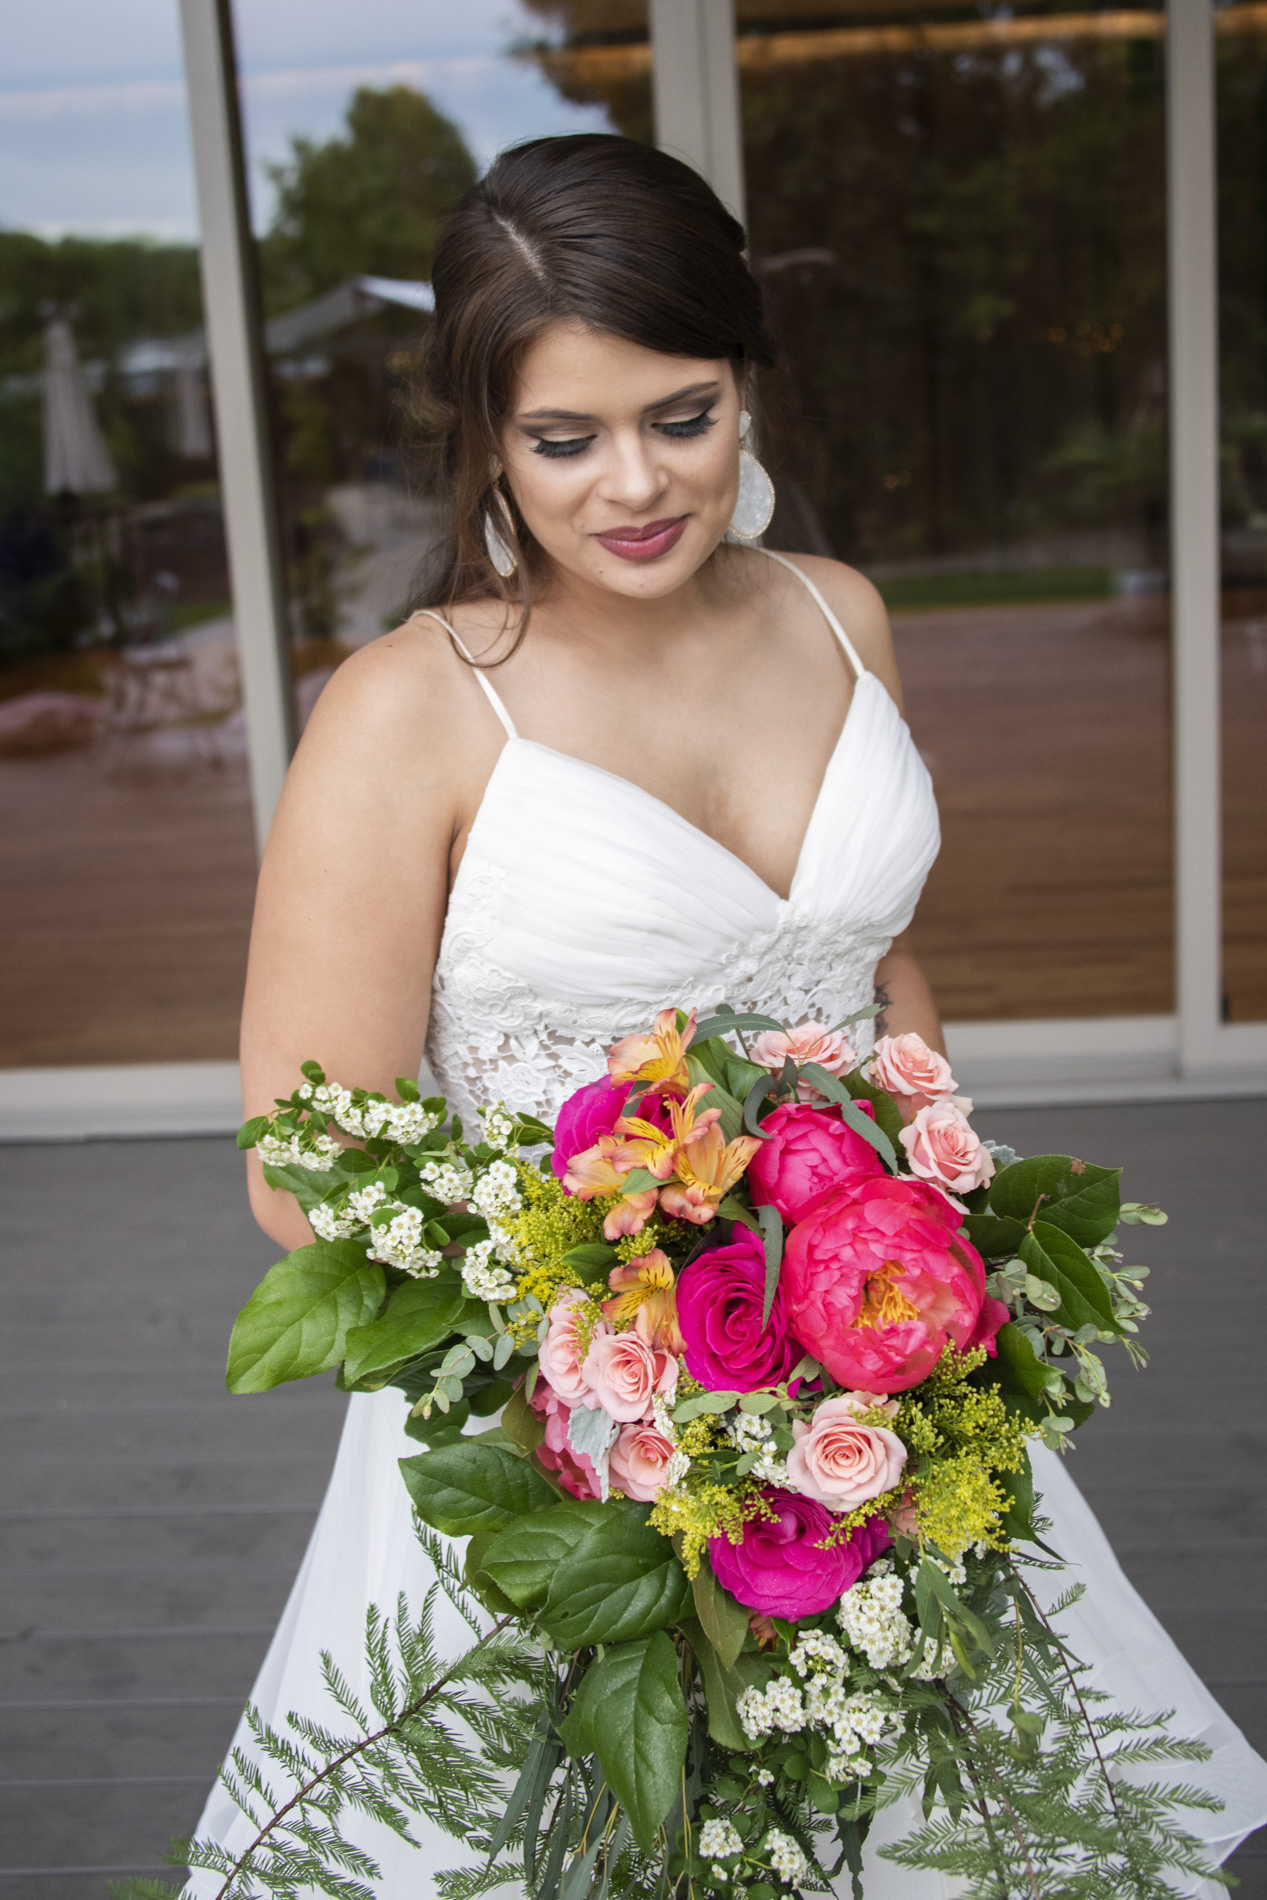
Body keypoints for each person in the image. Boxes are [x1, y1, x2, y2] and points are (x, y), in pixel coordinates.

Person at [190, 135, 1265, 1896]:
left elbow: (874, 972)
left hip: (880, 1378)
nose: (637, 482)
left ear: (747, 380)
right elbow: (300, 1172)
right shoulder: (406, 715)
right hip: (570, 1428)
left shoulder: (840, 619)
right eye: (565, 438)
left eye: (682, 414)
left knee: (972, 1820)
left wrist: (928, 1238)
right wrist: (639, 1367)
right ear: (485, 440)